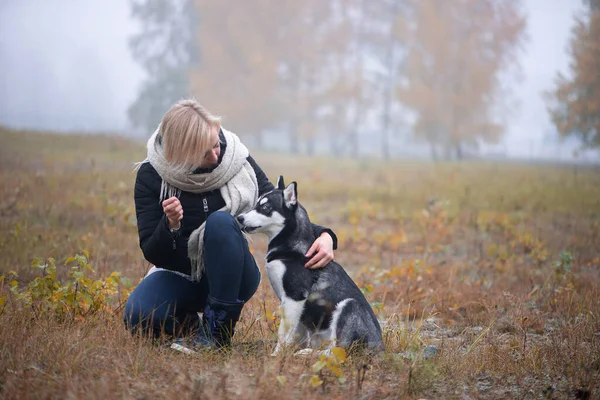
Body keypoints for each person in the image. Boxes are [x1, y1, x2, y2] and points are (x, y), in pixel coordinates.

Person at [124, 99, 338, 350]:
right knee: (138, 316)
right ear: (182, 155)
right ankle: (192, 327)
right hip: (179, 274)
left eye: (216, 144)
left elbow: (276, 208)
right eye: (205, 153)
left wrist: (325, 236)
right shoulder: (152, 175)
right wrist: (171, 224)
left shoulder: (236, 159)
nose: (216, 156)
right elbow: (152, 251)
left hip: (234, 276)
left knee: (221, 222)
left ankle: (216, 335)